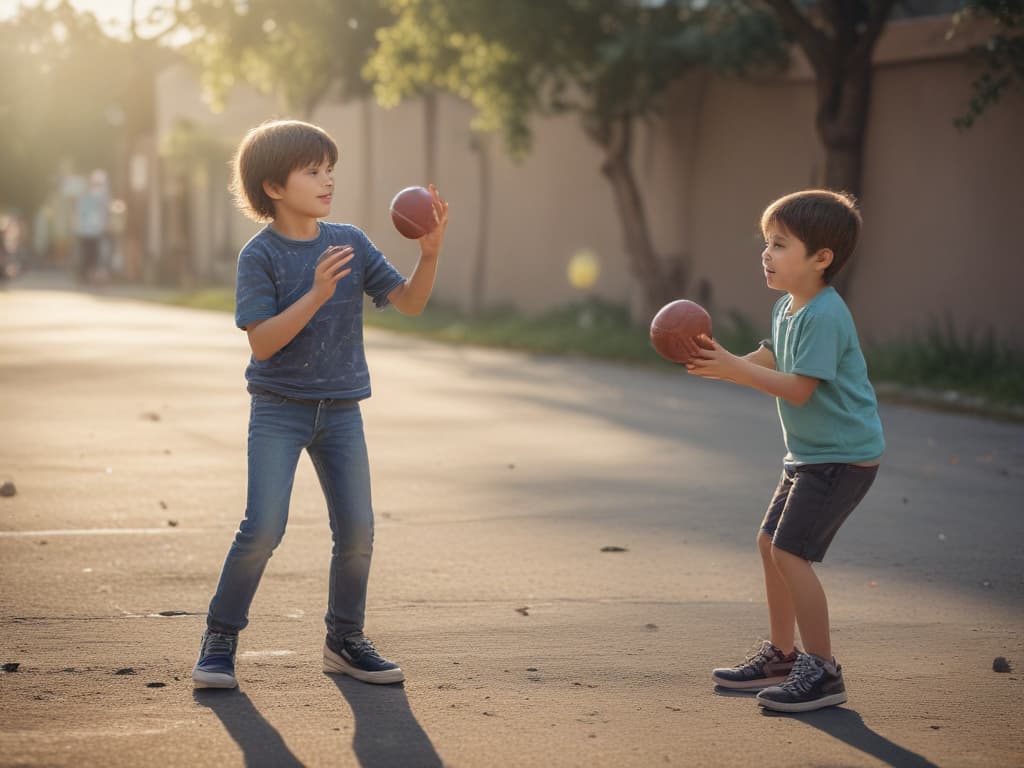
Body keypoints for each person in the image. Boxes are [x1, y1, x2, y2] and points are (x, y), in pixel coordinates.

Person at [192, 119, 449, 689]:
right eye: (312, 171)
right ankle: (219, 641)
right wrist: (315, 294)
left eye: (330, 168)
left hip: (340, 411)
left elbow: (407, 303)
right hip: (279, 409)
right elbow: (262, 341)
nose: (327, 179)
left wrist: (428, 255)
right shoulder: (258, 257)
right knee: (263, 527)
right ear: (274, 188)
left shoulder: (351, 242)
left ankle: (345, 641)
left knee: (358, 531)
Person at [684, 189, 884, 713]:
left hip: (842, 457)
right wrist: (719, 360)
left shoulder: (826, 315)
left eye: (780, 244)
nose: (766, 253)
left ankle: (822, 671)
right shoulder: (786, 308)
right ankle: (781, 656)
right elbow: (769, 358)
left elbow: (797, 388)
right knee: (768, 543)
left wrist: (735, 368)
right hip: (809, 453)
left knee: (789, 553)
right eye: (766, 242)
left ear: (822, 259)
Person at [74, 170, 110, 284]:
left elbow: (105, 212)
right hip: (89, 231)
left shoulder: (99, 196)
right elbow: (81, 213)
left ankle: (91, 276)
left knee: (94, 255)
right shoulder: (91, 197)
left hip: (94, 231)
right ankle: (88, 276)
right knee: (91, 255)